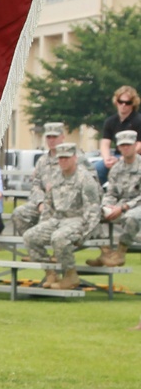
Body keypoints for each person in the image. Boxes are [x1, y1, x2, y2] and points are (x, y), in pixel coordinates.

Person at [24, 142, 102, 290]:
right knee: (30, 237)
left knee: (59, 238)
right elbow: (48, 205)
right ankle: (50, 272)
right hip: (57, 220)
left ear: (75, 158)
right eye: (60, 158)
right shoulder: (55, 177)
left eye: (66, 158)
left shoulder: (85, 179)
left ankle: (70, 275)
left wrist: (84, 234)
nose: (63, 161)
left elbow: (93, 210)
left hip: (78, 220)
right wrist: (43, 224)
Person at [87, 130, 141, 267]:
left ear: (135, 145)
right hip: (120, 206)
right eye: (123, 145)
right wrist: (107, 207)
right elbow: (111, 193)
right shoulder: (116, 168)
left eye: (129, 145)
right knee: (91, 213)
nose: (126, 148)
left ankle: (121, 253)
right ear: (118, 147)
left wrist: (123, 208)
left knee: (132, 217)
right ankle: (106, 253)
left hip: (136, 207)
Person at [11, 122, 68, 235]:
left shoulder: (72, 158)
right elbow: (35, 184)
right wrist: (40, 202)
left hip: (65, 205)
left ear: (62, 137)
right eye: (48, 137)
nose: (51, 140)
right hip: (43, 204)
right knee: (19, 213)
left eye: (55, 137)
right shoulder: (42, 161)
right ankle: (33, 247)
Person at [94, 85, 141, 186]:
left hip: (136, 158)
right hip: (116, 156)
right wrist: (107, 159)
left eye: (127, 103)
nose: (123, 105)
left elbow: (139, 146)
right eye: (120, 101)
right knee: (96, 170)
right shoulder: (110, 121)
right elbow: (105, 143)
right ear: (116, 102)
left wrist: (121, 159)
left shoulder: (139, 120)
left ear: (133, 104)